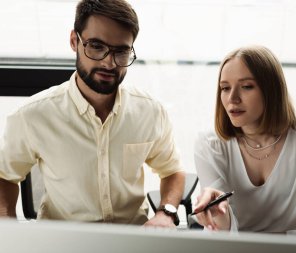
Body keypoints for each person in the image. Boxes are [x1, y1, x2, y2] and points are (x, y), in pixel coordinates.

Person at [0, 0, 185, 228]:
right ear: (74, 41)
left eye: (121, 52)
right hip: (64, 242)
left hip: (133, 239)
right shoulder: (32, 116)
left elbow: (173, 171)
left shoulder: (150, 112)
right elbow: (5, 176)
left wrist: (166, 213)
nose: (109, 63)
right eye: (96, 46)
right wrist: (8, 232)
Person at [192, 45, 296, 239]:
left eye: (246, 86)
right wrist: (219, 216)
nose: (232, 99)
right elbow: (223, 230)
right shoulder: (210, 143)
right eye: (225, 88)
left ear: (271, 90)